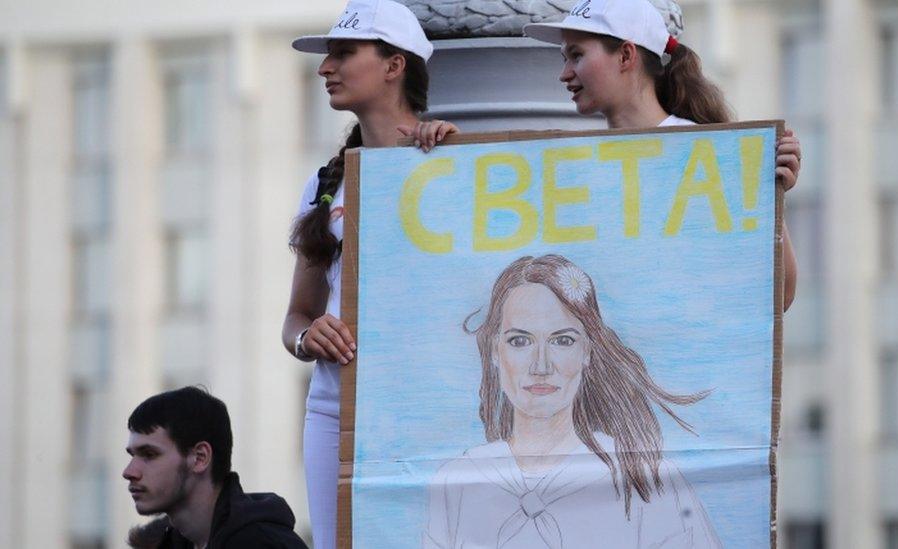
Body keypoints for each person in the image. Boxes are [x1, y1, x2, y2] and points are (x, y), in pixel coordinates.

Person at [282, 1, 456, 547]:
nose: (324, 68)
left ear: (393, 65)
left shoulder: (457, 161)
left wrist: (460, 153)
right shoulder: (323, 183)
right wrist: (309, 338)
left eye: (342, 53)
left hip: (429, 400)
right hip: (337, 404)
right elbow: (295, 318)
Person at [424, 255, 721, 549]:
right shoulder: (458, 482)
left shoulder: (646, 478)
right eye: (520, 341)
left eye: (562, 340)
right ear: (494, 351)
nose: (541, 366)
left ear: (587, 352)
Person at [521, 0, 800, 311]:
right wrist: (456, 156)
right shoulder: (571, 163)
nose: (564, 74)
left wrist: (769, 199)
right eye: (565, 58)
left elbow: (778, 293)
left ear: (626, 55)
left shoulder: (713, 152)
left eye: (577, 55)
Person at [122, 386, 307, 548]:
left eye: (149, 455)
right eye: (133, 455)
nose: (129, 472)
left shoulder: (258, 542)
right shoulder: (170, 541)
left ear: (200, 457)